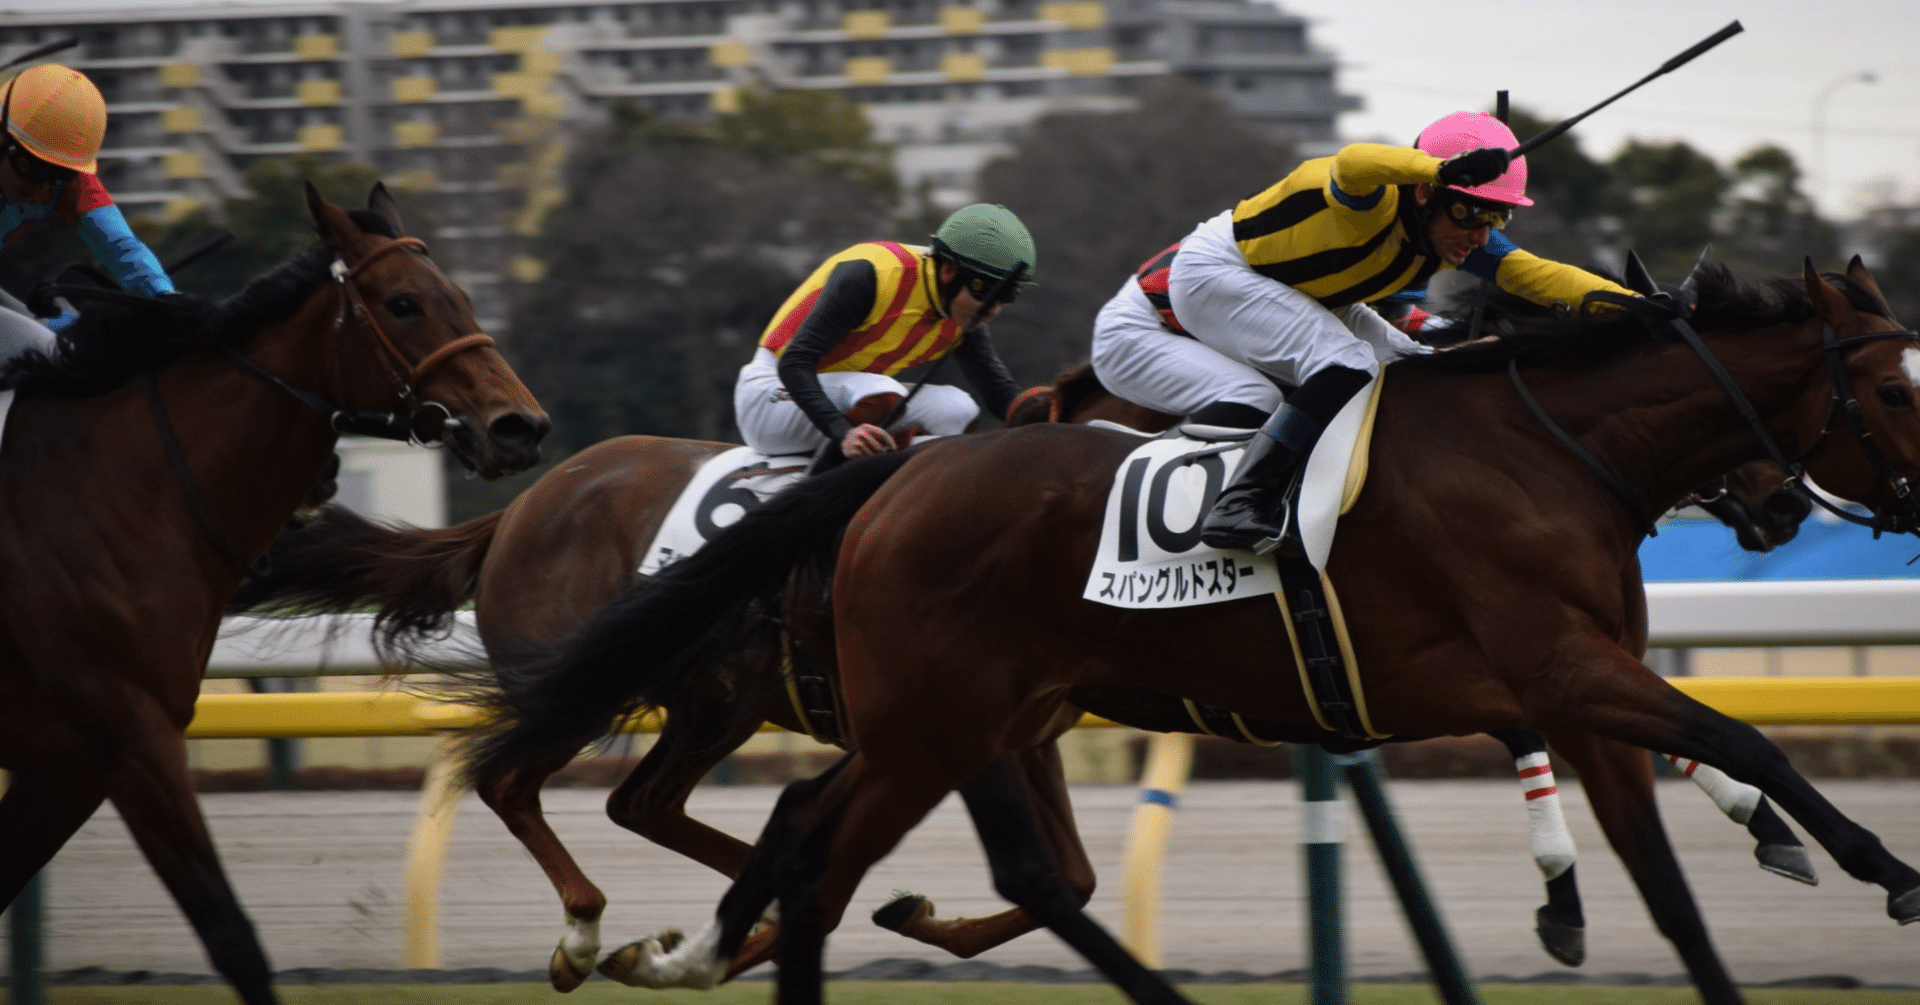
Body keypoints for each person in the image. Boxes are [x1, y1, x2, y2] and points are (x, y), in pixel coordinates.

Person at [1126, 110, 1635, 552]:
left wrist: (1646, 309)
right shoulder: (1369, 202)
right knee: (1347, 363)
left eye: (1496, 217)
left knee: (1418, 371)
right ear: (1423, 193)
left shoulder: (1457, 237)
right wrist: (1440, 168)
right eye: (1469, 212)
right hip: (1215, 274)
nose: (1480, 234)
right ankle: (1240, 502)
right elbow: (1352, 162)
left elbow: (1544, 277)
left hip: (1307, 294)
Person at [734, 203, 1033, 459]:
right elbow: (795, 363)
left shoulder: (961, 312)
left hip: (849, 396)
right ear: (948, 271)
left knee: (958, 407)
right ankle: (823, 493)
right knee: (884, 393)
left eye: (1006, 296)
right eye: (986, 292)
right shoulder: (871, 275)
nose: (993, 309)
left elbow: (997, 392)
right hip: (771, 396)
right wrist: (842, 433)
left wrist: (1048, 412)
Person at [0, 63, 175, 360]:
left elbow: (122, 247)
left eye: (60, 176)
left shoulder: (69, 184)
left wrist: (168, 302)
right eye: (35, 170)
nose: (43, 190)